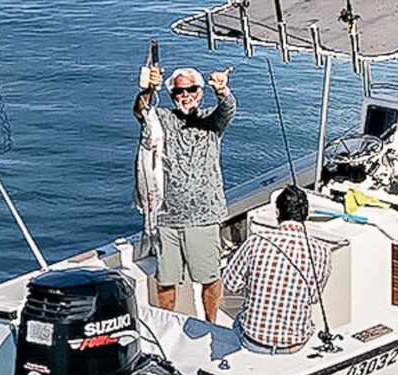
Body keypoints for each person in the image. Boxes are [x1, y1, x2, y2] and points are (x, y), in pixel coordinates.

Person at [133, 64, 236, 323]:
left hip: (204, 216)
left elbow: (228, 110)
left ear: (200, 92)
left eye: (191, 89)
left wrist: (222, 91)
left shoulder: (210, 121)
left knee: (209, 277)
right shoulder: (162, 119)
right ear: (172, 95)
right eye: (179, 91)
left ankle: (211, 324)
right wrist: (148, 88)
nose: (186, 95)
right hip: (166, 218)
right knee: (165, 280)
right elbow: (141, 111)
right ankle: (167, 324)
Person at [223, 185, 332, 354]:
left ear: (277, 212)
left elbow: (230, 284)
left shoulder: (256, 242)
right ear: (307, 214)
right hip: (294, 344)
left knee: (238, 319)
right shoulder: (322, 252)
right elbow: (313, 297)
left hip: (252, 340)